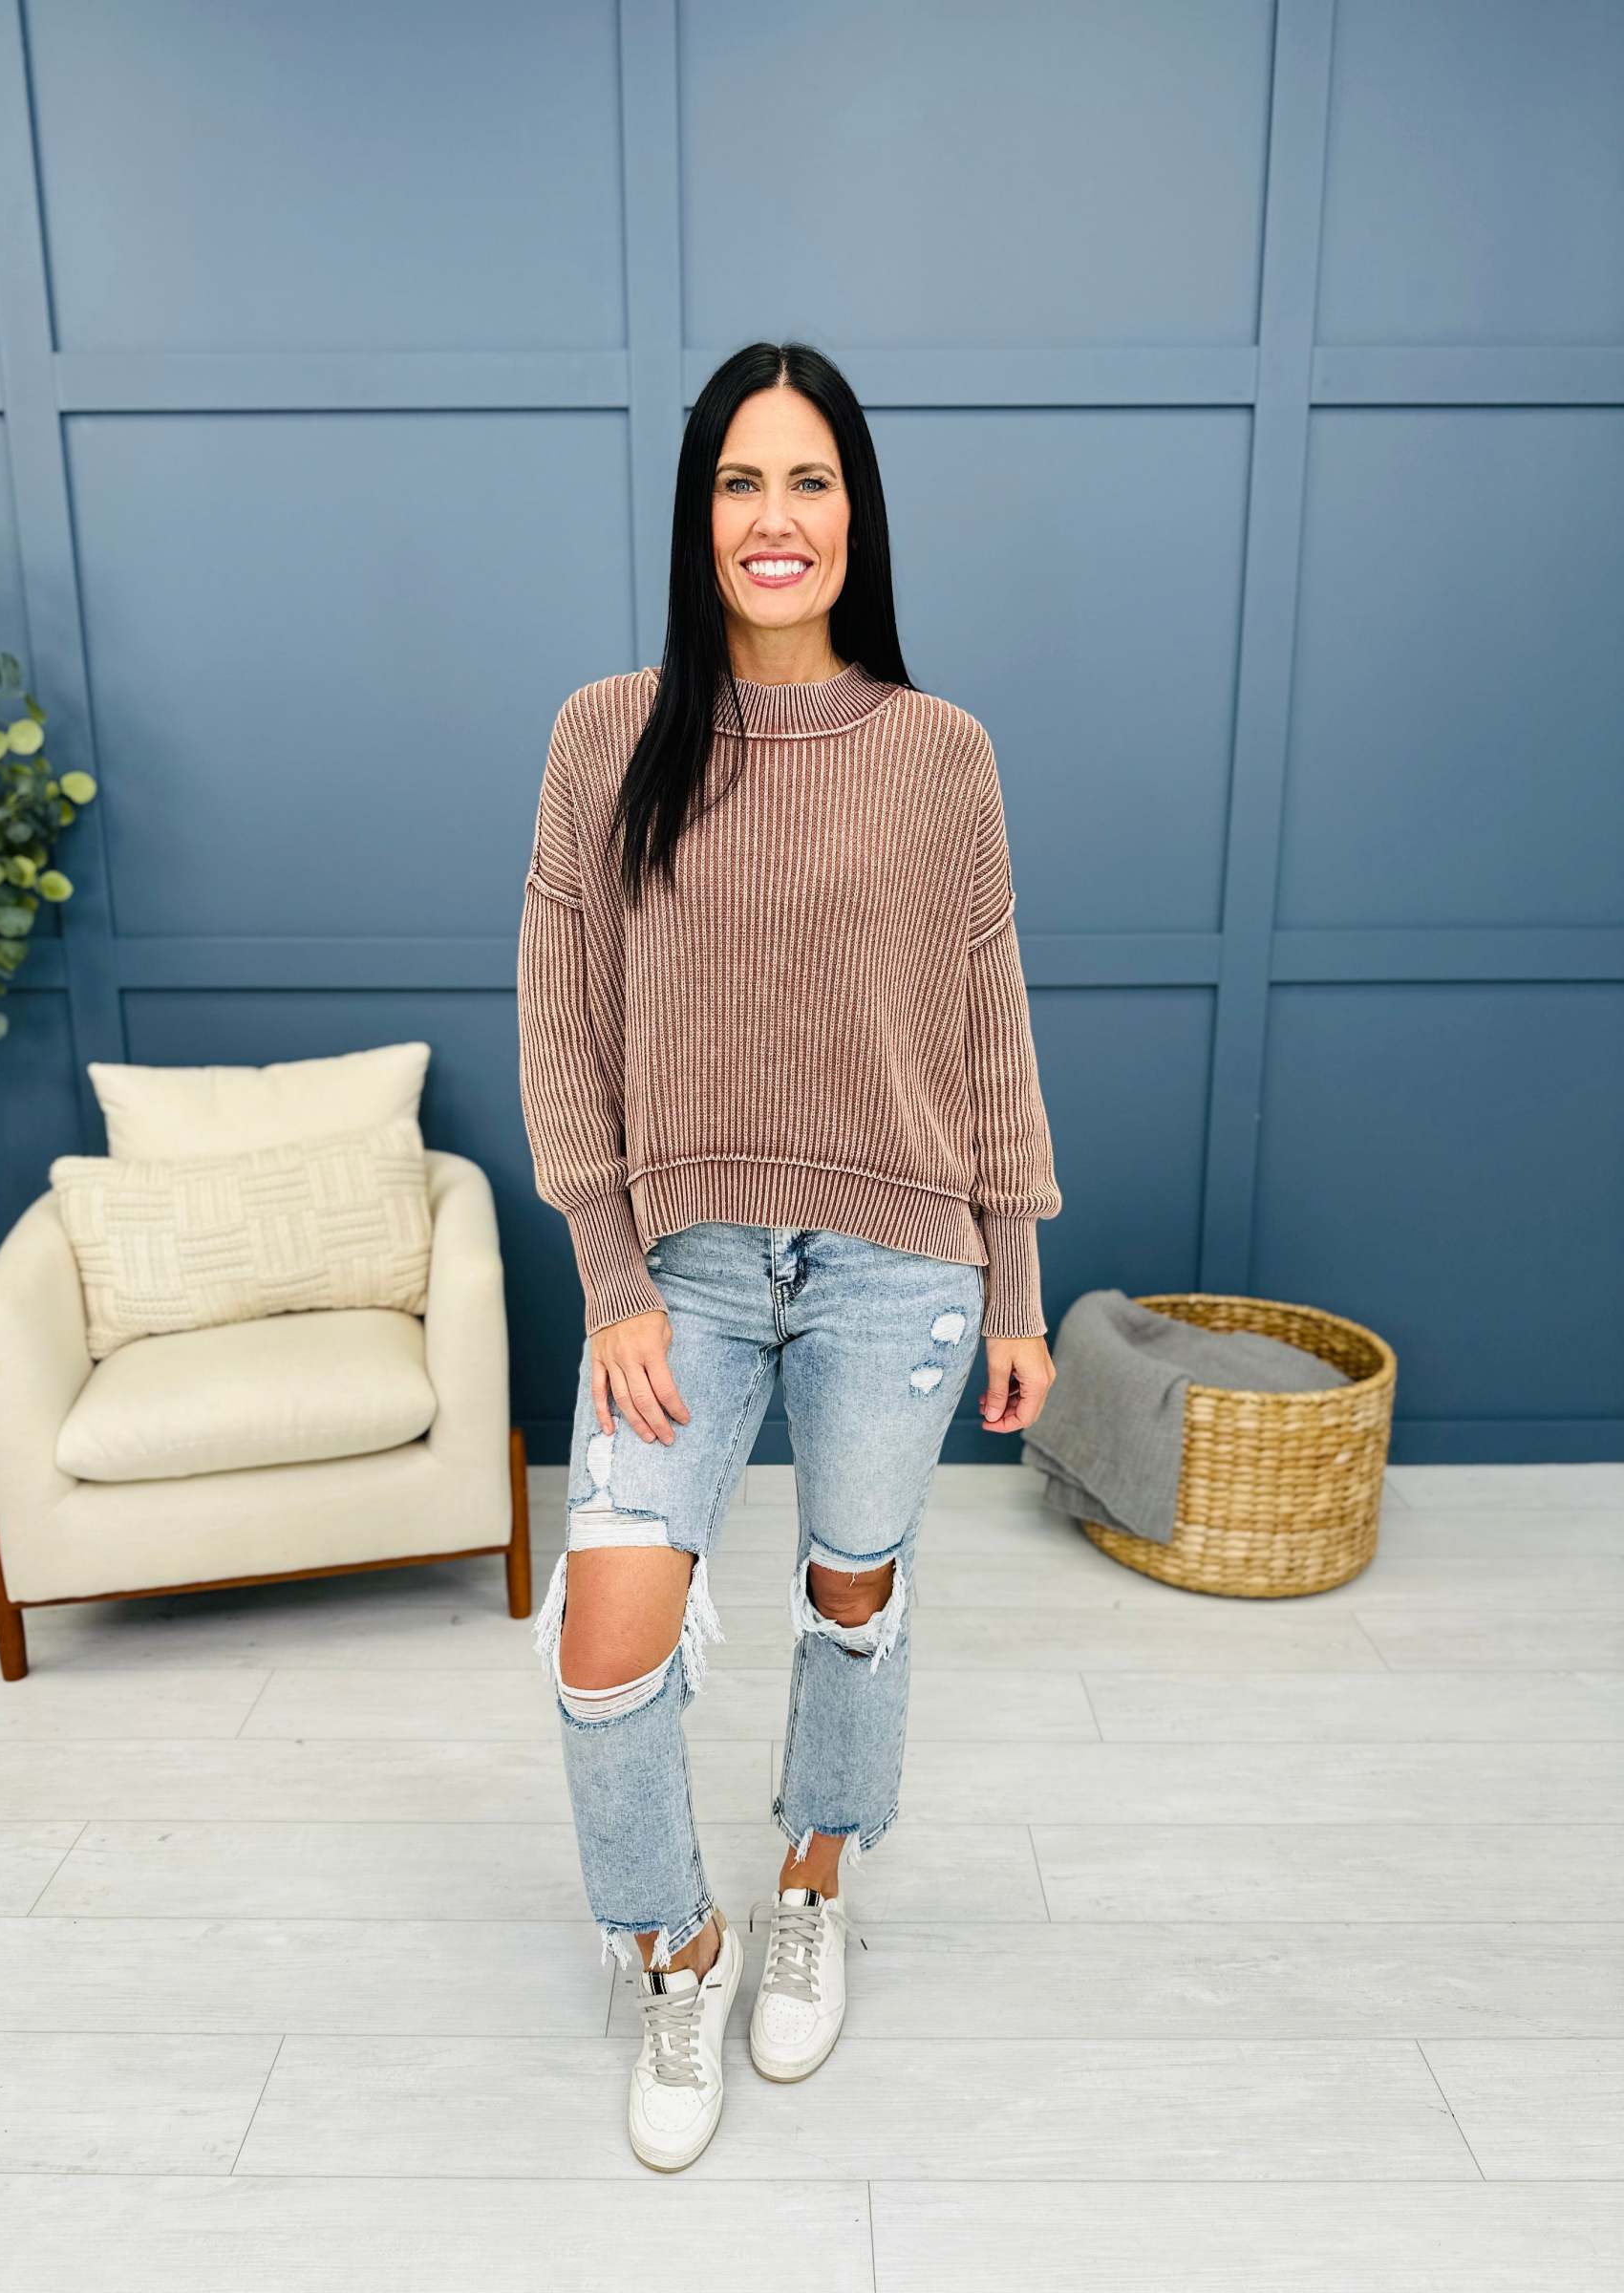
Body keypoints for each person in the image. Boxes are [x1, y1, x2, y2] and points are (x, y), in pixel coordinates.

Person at [516, 339, 1061, 2172]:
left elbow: (987, 1025)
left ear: (855, 513)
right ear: (699, 515)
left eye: (809, 481)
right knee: (607, 1637)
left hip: (900, 1265)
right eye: (739, 482)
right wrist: (610, 1277)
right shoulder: (607, 734)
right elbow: (564, 1021)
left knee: (853, 1594)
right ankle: (678, 1952)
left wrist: (1015, 1288)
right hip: (678, 1269)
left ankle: (814, 1880)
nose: (775, 517)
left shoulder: (941, 754)